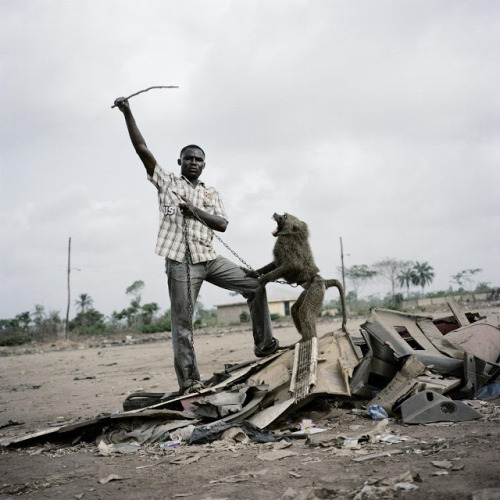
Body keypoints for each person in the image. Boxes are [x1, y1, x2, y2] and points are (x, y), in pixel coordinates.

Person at [114, 97, 279, 395]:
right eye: (188, 158)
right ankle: (190, 382)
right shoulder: (166, 183)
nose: (193, 162)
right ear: (180, 162)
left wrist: (194, 210)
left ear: (204, 165)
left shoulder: (211, 192)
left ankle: (265, 346)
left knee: (256, 285)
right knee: (183, 324)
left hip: (208, 258)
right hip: (180, 262)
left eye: (198, 159)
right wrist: (128, 112)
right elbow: (142, 149)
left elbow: (222, 224)